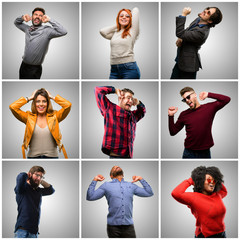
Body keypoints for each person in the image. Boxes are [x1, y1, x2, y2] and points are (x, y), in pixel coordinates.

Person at [87, 165, 153, 238]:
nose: (116, 166)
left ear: (123, 174)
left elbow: (149, 193)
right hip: (113, 227)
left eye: (118, 166)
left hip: (129, 226)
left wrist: (141, 179)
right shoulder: (106, 185)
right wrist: (95, 180)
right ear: (111, 175)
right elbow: (90, 197)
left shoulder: (131, 185)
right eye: (114, 168)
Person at [168, 87, 230, 158]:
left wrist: (208, 94)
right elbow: (173, 132)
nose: (187, 100)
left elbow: (226, 99)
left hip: (205, 152)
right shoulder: (183, 114)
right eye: (184, 99)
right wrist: (171, 116)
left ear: (195, 95)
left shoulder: (209, 108)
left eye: (188, 97)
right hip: (189, 152)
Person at [9, 88, 71, 158]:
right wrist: (29, 98)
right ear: (34, 103)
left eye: (44, 101)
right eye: (38, 101)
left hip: (52, 157)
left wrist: (52, 97)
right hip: (32, 157)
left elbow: (68, 105)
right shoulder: (28, 117)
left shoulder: (55, 116)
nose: (41, 104)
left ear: (48, 103)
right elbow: (13, 107)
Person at [172, 166, 227, 238]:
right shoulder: (194, 197)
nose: (212, 183)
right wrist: (191, 180)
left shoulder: (217, 195)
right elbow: (176, 193)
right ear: (201, 181)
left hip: (222, 234)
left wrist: (216, 177)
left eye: (214, 181)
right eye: (209, 180)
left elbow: (224, 191)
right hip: (206, 236)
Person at [14, 7, 67, 79]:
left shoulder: (47, 31)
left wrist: (50, 20)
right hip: (23, 65)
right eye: (36, 14)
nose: (38, 17)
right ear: (32, 17)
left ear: (43, 18)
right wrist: (22, 17)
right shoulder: (27, 28)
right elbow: (16, 23)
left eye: (40, 15)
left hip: (34, 69)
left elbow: (63, 31)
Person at [170, 6, 223, 79]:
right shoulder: (198, 19)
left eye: (208, 12)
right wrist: (181, 38)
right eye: (207, 9)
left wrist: (183, 15)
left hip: (188, 66)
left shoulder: (201, 33)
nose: (205, 11)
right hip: (180, 60)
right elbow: (186, 31)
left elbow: (180, 33)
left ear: (210, 21)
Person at [95, 86, 146, 158]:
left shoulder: (133, 116)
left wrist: (138, 103)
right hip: (116, 156)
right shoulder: (110, 109)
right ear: (120, 98)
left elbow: (142, 111)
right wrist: (115, 90)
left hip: (128, 156)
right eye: (128, 98)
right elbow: (98, 90)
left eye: (132, 99)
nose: (131, 101)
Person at [14, 166, 55, 238]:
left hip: (34, 233)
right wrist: (26, 175)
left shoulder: (38, 190)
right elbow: (20, 178)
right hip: (22, 232)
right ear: (30, 175)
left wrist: (40, 180)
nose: (39, 178)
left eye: (41, 176)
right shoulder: (22, 189)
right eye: (37, 175)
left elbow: (51, 190)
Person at [100, 7, 140, 79]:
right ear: (118, 18)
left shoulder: (133, 31)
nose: (124, 17)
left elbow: (136, 9)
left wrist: (126, 19)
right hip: (113, 69)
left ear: (131, 19)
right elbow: (102, 31)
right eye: (121, 16)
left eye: (127, 16)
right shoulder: (115, 33)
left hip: (129, 69)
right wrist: (118, 24)